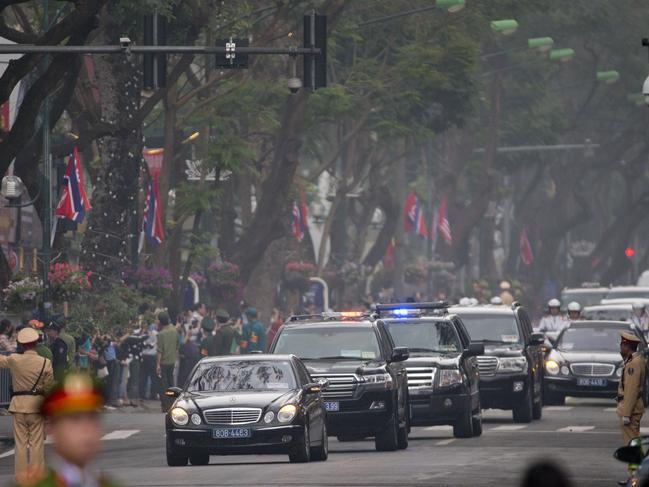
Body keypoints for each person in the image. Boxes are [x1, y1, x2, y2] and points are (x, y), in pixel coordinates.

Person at [13, 372, 122, 487]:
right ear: (53, 428)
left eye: (92, 418)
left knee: (22, 443)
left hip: (19, 404)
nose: (87, 428)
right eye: (75, 419)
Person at [0, 327, 53, 481]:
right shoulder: (45, 362)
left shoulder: (15, 359)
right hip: (36, 406)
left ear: (21, 344)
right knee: (36, 444)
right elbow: (48, 388)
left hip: (18, 406)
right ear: (37, 343)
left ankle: (21, 478)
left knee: (21, 444)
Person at [617, 331, 646, 444]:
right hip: (634, 407)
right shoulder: (636, 360)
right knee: (633, 441)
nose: (620, 348)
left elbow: (631, 390)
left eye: (621, 345)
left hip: (631, 409)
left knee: (631, 442)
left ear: (626, 346)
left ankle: (637, 461)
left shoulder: (633, 364)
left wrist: (626, 414)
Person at [156, 312, 178, 410]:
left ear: (160, 322)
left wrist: (157, 365)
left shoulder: (161, 334)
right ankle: (173, 403)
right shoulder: (174, 330)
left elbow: (159, 351)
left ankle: (166, 405)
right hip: (172, 361)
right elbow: (177, 346)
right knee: (171, 383)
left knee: (163, 386)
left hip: (164, 362)